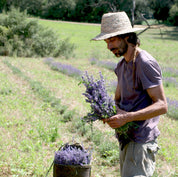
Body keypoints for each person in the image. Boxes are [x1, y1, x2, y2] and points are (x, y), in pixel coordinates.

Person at [92, 12, 168, 177]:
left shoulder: (145, 63)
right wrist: (111, 113)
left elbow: (162, 105)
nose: (108, 47)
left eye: (112, 40)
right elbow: (118, 100)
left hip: (141, 141)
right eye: (106, 41)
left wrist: (127, 117)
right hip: (126, 139)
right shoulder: (121, 66)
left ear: (126, 37)